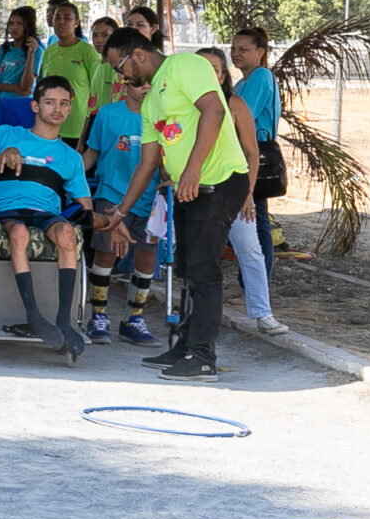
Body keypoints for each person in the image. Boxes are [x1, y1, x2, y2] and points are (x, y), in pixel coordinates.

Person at [110, 28, 249, 381]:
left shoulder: (185, 65)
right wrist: (121, 211)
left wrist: (193, 169)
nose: (120, 75)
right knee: (187, 267)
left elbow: (214, 111)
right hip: (189, 188)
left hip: (218, 181)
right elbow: (147, 163)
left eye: (119, 66)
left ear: (138, 55)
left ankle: (203, 357)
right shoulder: (150, 100)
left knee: (204, 269)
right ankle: (186, 345)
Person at [0, 75, 92, 353]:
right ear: (35, 106)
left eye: (63, 103)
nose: (57, 109)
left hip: (46, 212)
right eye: (49, 102)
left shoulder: (70, 157)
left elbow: (84, 205)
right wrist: (1, 159)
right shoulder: (4, 134)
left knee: (67, 235)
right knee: (19, 232)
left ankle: (63, 320)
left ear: (70, 109)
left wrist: (91, 216)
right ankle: (33, 314)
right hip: (3, 209)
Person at [83, 40, 162, 348]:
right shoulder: (108, 114)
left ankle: (135, 319)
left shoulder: (161, 117)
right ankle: (98, 315)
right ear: (125, 85)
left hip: (149, 198)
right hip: (111, 193)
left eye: (148, 86)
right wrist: (71, 175)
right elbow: (92, 152)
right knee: (105, 252)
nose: (143, 90)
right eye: (137, 84)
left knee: (147, 255)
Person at [226, 27, 289, 335]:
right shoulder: (245, 80)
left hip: (254, 156)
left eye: (243, 49)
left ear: (260, 51)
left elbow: (241, 115)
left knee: (257, 219)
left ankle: (258, 280)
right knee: (257, 218)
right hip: (243, 154)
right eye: (234, 48)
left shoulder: (260, 78)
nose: (236, 54)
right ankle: (254, 282)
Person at [37, 0, 102, 138]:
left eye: (67, 18)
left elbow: (97, 92)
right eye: (57, 18)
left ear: (76, 22)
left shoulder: (88, 52)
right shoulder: (49, 51)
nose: (61, 22)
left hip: (77, 129)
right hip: (49, 126)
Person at [0, 6, 41, 100]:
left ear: (28, 27)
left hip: (21, 103)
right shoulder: (3, 49)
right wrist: (14, 88)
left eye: (19, 24)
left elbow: (25, 87)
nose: (14, 27)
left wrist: (31, 54)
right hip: (0, 102)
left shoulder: (37, 51)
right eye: (11, 23)